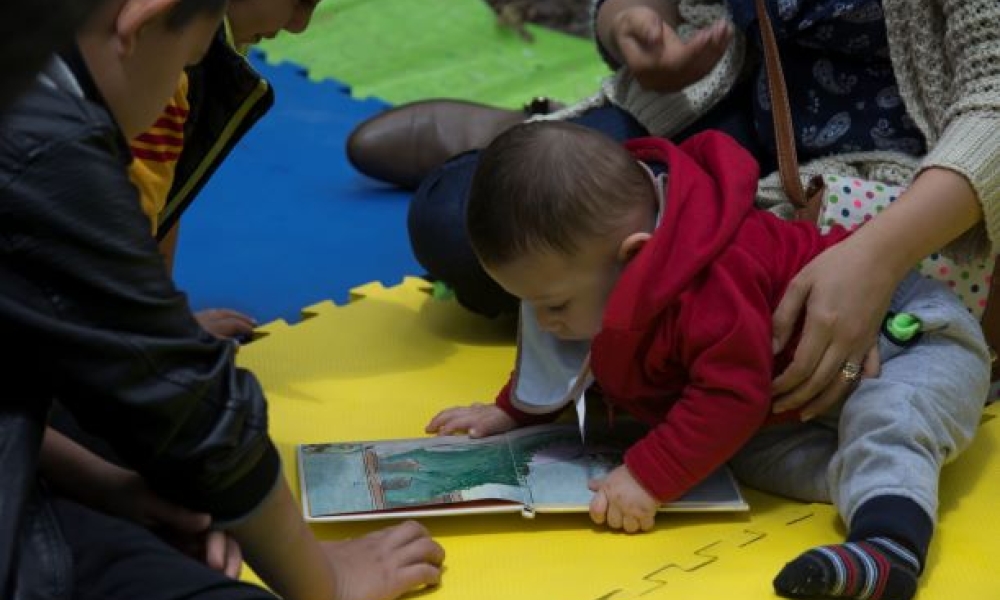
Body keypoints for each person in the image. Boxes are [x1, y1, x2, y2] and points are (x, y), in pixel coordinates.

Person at [425, 120, 989, 600]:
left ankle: (889, 546)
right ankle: (883, 481)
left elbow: (728, 395)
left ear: (637, 257)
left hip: (902, 341)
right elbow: (570, 356)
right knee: (735, 457)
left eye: (552, 305)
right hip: (787, 401)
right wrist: (513, 413)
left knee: (887, 416)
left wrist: (649, 477)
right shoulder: (609, 275)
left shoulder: (714, 279)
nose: (544, 322)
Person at [0, 0, 444, 598]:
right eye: (187, 62)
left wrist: (108, 486)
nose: (174, 103)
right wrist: (326, 581)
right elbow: (191, 408)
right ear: (141, 23)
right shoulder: (48, 145)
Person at [376, 0, 999, 417]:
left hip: (906, 170)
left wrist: (876, 258)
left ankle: (538, 138)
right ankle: (540, 134)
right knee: (464, 225)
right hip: (721, 110)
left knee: (727, 309)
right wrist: (634, 22)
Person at [130, 0, 320, 340]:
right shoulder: (159, 64)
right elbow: (124, 229)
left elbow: (165, 193)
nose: (299, 26)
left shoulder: (189, 49)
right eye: (301, 1)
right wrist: (152, 333)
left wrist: (161, 317)